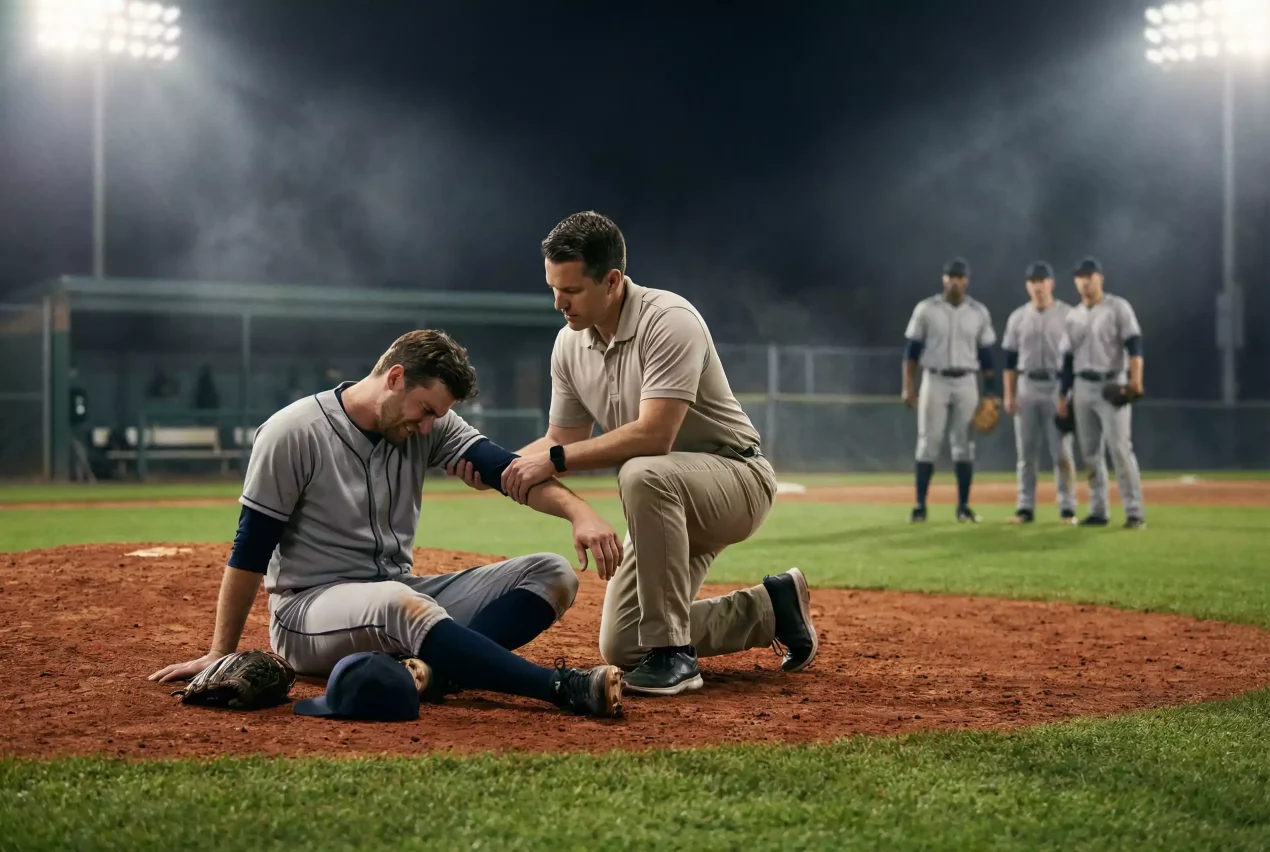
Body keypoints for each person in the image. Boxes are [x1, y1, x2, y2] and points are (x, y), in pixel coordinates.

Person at [150, 329, 626, 718]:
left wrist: (578, 511)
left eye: (438, 415)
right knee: (399, 602)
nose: (429, 426)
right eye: (426, 410)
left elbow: (506, 469)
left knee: (551, 573)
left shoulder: (429, 425)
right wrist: (220, 651)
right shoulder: (292, 432)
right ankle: (559, 687)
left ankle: (433, 674)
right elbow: (250, 547)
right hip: (308, 613)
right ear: (395, 377)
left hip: (397, 595)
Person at [453, 211, 817, 697]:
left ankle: (675, 656)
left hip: (735, 478)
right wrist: (498, 467)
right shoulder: (568, 344)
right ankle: (771, 609)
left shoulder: (668, 319)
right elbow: (562, 436)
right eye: (553, 288)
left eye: (572, 290)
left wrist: (554, 461)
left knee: (641, 472)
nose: (559, 303)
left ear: (612, 281)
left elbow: (654, 435)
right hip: (664, 501)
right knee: (623, 644)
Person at [901, 257, 997, 523]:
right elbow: (911, 351)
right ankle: (920, 507)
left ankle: (963, 507)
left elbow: (987, 355)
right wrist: (908, 386)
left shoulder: (978, 312)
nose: (955, 281)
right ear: (944, 279)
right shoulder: (926, 309)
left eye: (960, 277)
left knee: (964, 446)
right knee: (928, 443)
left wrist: (991, 391)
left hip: (967, 381)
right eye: (951, 276)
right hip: (935, 379)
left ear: (966, 280)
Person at [1057, 257, 1146, 529]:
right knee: (1089, 453)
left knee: (1119, 449)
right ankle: (1098, 510)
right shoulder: (1073, 315)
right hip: (1082, 386)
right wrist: (1062, 397)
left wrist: (1135, 380)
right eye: (1080, 277)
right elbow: (1067, 360)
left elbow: (1134, 345)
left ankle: (1134, 512)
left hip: (1111, 384)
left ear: (1100, 279)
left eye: (1090, 276)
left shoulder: (1118, 307)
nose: (1085, 281)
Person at [1001, 261, 1078, 524]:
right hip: (1026, 385)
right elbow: (1009, 361)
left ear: (1051, 283)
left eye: (1042, 281)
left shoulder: (1068, 314)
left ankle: (1067, 508)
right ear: (1027, 286)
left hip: (1057, 386)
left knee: (1062, 452)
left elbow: (1074, 358)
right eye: (1033, 281)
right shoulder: (1018, 317)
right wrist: (1009, 394)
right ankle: (1025, 508)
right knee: (1026, 454)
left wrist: (1069, 393)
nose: (1038, 286)